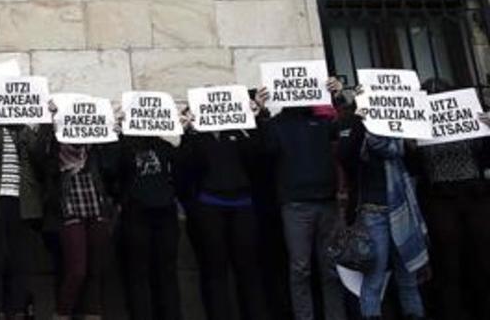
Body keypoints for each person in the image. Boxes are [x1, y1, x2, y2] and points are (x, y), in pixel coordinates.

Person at [256, 78, 347, 320]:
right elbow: (266, 149)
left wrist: (338, 98)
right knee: (300, 269)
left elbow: (343, 131)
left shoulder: (322, 121)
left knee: (330, 268)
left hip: (326, 202)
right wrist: (261, 112)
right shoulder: (275, 125)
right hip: (296, 206)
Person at [178, 102, 269, 320]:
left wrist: (253, 122)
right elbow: (185, 168)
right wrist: (188, 132)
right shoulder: (197, 137)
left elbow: (259, 158)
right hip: (208, 208)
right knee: (214, 272)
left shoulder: (239, 131)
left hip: (242, 206)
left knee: (248, 271)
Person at [338, 111, 428, 320]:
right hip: (372, 213)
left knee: (408, 278)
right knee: (374, 278)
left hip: (402, 211)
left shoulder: (401, 134)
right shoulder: (361, 130)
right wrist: (361, 122)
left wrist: (410, 140)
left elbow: (417, 164)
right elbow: (344, 155)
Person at [414, 78, 490, 320]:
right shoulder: (420, 128)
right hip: (440, 197)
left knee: (482, 255)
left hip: (474, 193)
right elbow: (416, 166)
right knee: (448, 260)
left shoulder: (471, 122)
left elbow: (484, 154)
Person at [102, 132, 181, 320]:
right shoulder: (125, 146)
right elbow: (109, 169)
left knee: (164, 276)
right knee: (140, 276)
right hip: (136, 213)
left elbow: (182, 167)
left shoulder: (163, 146)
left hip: (163, 213)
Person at [0, 120, 46, 320]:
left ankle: (18, 310)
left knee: (20, 260)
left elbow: (38, 154)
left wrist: (29, 127)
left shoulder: (26, 128)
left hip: (23, 202)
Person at [51, 131, 113, 320]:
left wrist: (113, 131)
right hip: (70, 209)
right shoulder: (55, 146)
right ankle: (62, 313)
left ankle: (92, 314)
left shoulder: (95, 147)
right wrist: (49, 125)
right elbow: (40, 159)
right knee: (77, 271)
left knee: (95, 270)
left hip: (96, 207)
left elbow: (111, 167)